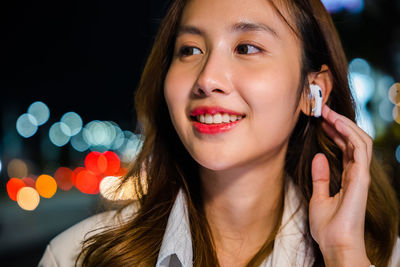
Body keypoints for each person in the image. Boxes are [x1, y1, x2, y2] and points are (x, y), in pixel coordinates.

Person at [39, 0, 400, 266]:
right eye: (190, 50)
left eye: (246, 48)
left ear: (313, 91)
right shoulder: (75, 256)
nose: (207, 79)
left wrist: (342, 254)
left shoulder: (378, 256)